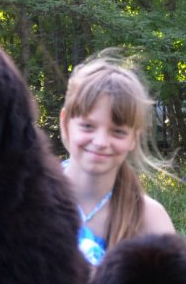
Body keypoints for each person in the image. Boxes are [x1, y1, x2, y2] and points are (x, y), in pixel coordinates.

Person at [60, 54, 175, 265]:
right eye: (88, 126)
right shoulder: (27, 202)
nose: (101, 141)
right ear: (66, 123)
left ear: (134, 138)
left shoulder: (150, 220)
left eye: (118, 131)